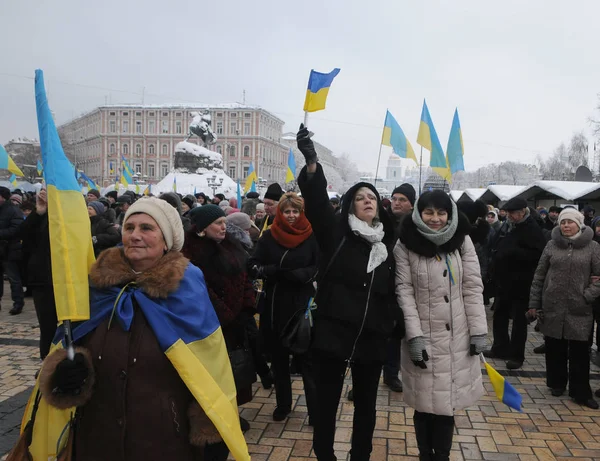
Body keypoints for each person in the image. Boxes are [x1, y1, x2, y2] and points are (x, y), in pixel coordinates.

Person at [36, 197, 245, 460]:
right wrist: (67, 373)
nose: (135, 235)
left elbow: (210, 363)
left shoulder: (187, 289)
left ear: (167, 240)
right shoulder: (96, 287)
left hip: (164, 438)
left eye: (147, 228)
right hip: (97, 437)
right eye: (129, 227)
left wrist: (211, 427)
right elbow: (72, 343)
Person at [296, 124, 403, 461]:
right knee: (326, 405)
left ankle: (361, 456)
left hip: (372, 337)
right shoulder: (336, 234)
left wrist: (390, 324)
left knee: (366, 408)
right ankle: (325, 455)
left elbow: (394, 289)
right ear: (351, 205)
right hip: (333, 333)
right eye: (360, 197)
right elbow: (314, 204)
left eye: (371, 197)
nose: (367, 201)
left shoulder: (388, 243)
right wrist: (312, 164)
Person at [395, 190, 487, 461]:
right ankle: (425, 454)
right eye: (429, 212)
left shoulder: (462, 241)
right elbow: (404, 292)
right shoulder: (404, 244)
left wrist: (479, 330)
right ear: (418, 213)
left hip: (457, 336)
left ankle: (442, 456)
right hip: (423, 336)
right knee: (424, 403)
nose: (435, 219)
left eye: (441, 213)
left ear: (450, 214)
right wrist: (414, 337)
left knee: (447, 403)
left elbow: (472, 287)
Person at [249, 192, 319, 422]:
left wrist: (301, 275)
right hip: (275, 304)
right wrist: (273, 272)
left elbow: (319, 265)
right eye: (287, 211)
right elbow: (253, 265)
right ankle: (283, 404)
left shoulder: (311, 236)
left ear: (301, 213)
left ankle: (314, 410)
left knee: (307, 361)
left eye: (295, 211)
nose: (290, 216)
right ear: (280, 212)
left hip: (302, 306)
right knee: (279, 359)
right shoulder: (269, 236)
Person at [182, 205, 256, 409]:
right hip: (212, 323)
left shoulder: (233, 245)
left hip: (237, 320)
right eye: (218, 223)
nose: (224, 227)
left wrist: (247, 306)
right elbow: (202, 289)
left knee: (236, 371)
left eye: (225, 222)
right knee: (215, 373)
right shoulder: (191, 252)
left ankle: (234, 411)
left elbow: (245, 277)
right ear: (203, 228)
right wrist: (225, 314)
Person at [529, 208, 600, 409]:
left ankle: (580, 392)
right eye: (562, 222)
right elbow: (539, 276)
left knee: (580, 352)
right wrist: (535, 303)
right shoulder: (551, 245)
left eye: (570, 222)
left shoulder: (593, 247)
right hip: (553, 306)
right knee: (554, 347)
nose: (566, 226)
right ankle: (556, 383)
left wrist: (587, 295)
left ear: (580, 223)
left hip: (580, 309)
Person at [484, 197, 546, 369]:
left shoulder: (532, 228)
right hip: (504, 281)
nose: (509, 216)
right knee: (500, 315)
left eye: (512, 213)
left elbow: (537, 256)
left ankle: (516, 355)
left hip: (521, 283)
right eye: (508, 213)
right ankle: (500, 347)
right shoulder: (508, 226)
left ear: (522, 212)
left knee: (519, 320)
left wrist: (513, 252)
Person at [384, 183, 416, 392]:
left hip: (405, 284)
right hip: (381, 283)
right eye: (395, 198)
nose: (396, 203)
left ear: (411, 204)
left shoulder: (415, 225)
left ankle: (391, 373)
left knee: (398, 332)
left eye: (402, 199)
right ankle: (365, 378)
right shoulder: (381, 221)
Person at [19, 188, 56, 358]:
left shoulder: (68, 216)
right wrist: (38, 212)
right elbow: (23, 234)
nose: (43, 194)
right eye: (41, 190)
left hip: (66, 278)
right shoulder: (40, 216)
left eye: (47, 191)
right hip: (42, 279)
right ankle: (46, 364)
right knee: (47, 327)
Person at [0, 186, 24, 315]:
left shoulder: (14, 211)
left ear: (3, 197)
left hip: (10, 249)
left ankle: (18, 303)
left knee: (13, 278)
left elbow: (16, 229)